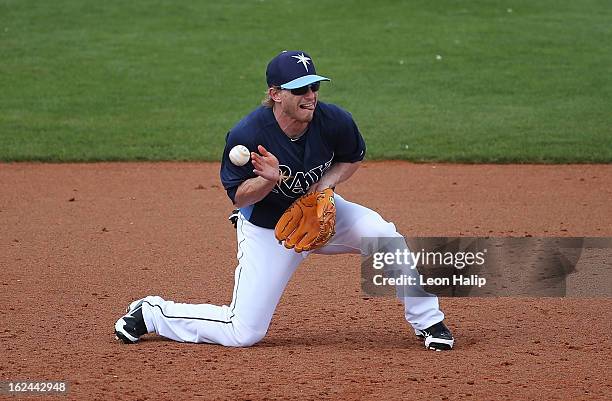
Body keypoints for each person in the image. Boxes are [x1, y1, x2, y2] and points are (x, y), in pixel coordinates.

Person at [114, 50, 455, 351]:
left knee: (386, 237)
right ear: (275, 94)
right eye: (300, 90)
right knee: (243, 332)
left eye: (314, 87)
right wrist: (268, 180)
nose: (311, 96)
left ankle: (428, 322)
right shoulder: (248, 135)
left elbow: (352, 157)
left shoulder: (334, 120)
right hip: (270, 230)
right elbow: (238, 195)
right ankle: (153, 314)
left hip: (324, 214)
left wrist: (323, 188)